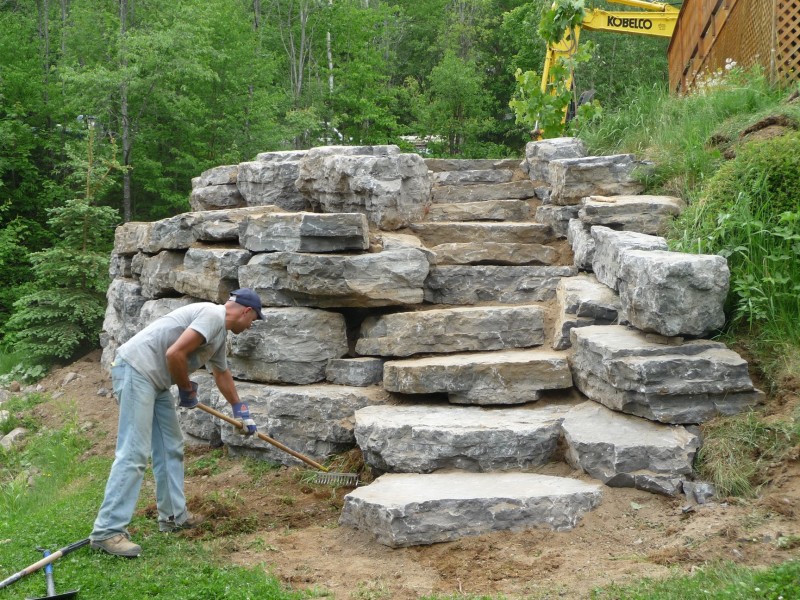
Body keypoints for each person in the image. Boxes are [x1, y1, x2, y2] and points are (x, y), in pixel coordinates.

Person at [89, 288, 265, 558]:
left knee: (170, 447)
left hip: (156, 382)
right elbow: (174, 354)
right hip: (136, 370)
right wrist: (186, 389)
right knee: (134, 453)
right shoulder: (212, 315)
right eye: (254, 319)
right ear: (246, 311)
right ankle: (107, 531)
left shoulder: (218, 335)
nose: (252, 325)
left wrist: (241, 411)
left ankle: (173, 517)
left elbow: (222, 374)